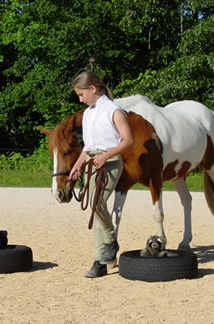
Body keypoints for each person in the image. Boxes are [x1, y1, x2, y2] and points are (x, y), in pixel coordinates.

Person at [69, 71, 133, 278]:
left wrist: (106, 156)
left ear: (93, 89)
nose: (80, 99)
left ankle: (110, 239)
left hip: (111, 163)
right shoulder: (88, 113)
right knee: (95, 209)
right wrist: (78, 164)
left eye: (81, 94)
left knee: (97, 204)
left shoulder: (114, 111)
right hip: (92, 162)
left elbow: (127, 141)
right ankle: (100, 261)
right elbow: (88, 146)